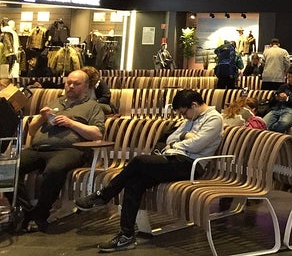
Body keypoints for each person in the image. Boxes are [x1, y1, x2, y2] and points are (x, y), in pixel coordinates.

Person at [76, 89, 223, 252]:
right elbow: (171, 138)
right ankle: (126, 236)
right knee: (134, 181)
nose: (184, 117)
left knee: (139, 161)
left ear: (194, 105)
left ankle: (104, 195)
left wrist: (178, 142)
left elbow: (196, 145)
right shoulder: (191, 118)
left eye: (184, 112)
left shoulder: (214, 119)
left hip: (191, 165)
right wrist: (184, 137)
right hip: (173, 160)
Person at [17, 69, 105, 232]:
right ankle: (27, 210)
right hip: (38, 148)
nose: (70, 86)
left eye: (76, 84)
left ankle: (40, 215)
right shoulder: (55, 102)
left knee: (54, 170)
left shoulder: (92, 106)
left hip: (69, 150)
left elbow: (97, 133)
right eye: (68, 83)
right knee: (7, 169)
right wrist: (42, 118)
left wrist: (71, 123)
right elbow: (32, 130)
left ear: (86, 87)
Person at [263, 65, 292, 133]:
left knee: (283, 123)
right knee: (262, 124)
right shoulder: (283, 87)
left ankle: (271, 134)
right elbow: (271, 102)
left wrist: (287, 99)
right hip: (277, 109)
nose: (290, 79)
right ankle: (271, 135)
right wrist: (276, 98)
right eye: (288, 77)